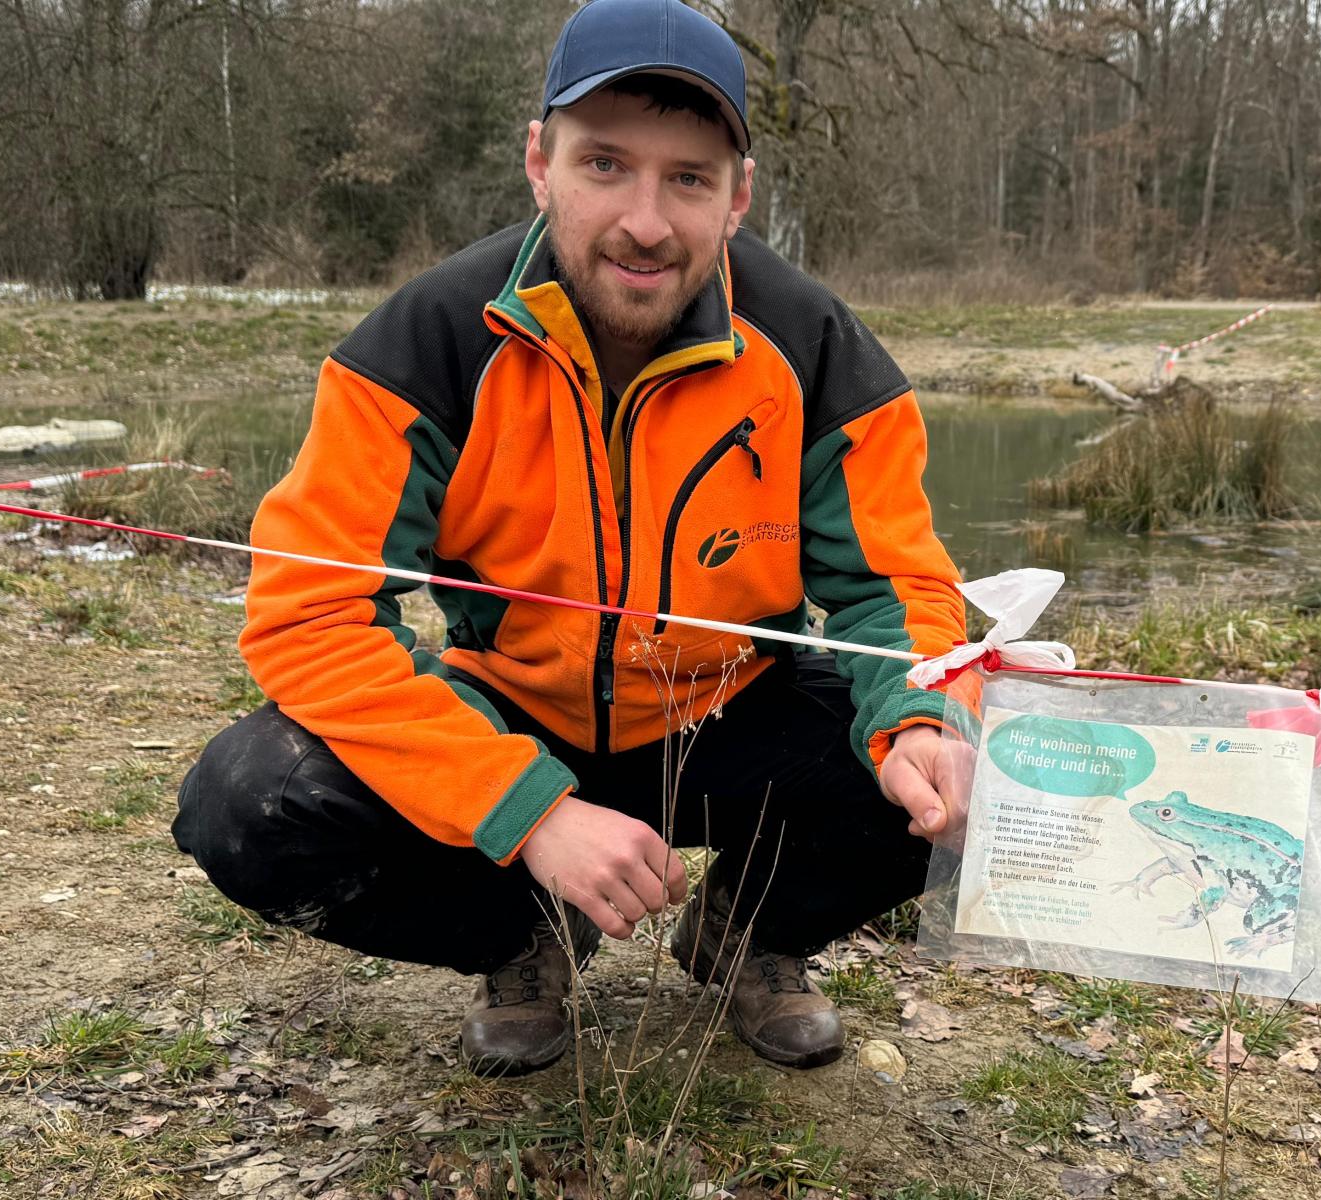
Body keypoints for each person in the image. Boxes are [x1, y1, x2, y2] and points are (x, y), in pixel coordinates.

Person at [171, 0, 969, 1075]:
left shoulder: (816, 349)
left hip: (726, 711)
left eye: (688, 178)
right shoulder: (426, 342)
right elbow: (309, 618)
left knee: (978, 777)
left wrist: (920, 718)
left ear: (738, 197)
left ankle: (746, 931)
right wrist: (527, 808)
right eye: (607, 165)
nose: (647, 221)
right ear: (540, 164)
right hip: (516, 712)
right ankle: (526, 932)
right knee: (247, 803)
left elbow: (896, 596)